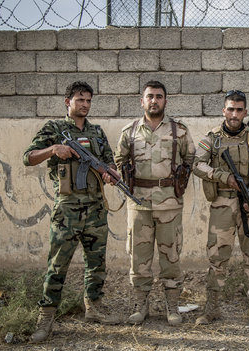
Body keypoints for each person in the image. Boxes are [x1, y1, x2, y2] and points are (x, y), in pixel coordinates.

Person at [23, 81, 119, 343]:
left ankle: (94, 307)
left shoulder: (97, 132)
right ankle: (46, 316)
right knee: (57, 265)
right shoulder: (54, 129)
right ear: (68, 102)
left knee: (96, 263)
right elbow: (28, 157)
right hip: (66, 209)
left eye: (88, 100)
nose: (85, 105)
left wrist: (110, 173)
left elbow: (109, 160)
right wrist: (53, 149)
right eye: (80, 100)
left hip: (96, 208)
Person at [114, 80, 196, 326]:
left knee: (170, 257)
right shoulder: (129, 131)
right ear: (142, 101)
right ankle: (141, 305)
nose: (154, 101)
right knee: (138, 258)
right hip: (138, 203)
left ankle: (172, 306)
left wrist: (180, 181)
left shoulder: (178, 130)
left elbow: (190, 157)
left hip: (169, 203)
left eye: (159, 97)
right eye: (149, 96)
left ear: (165, 101)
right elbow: (119, 158)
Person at [193, 90, 249, 325]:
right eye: (230, 109)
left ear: (245, 112)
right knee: (217, 257)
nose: (235, 114)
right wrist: (222, 176)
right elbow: (196, 164)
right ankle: (212, 307)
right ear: (223, 110)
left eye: (239, 110)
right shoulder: (213, 138)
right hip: (222, 204)